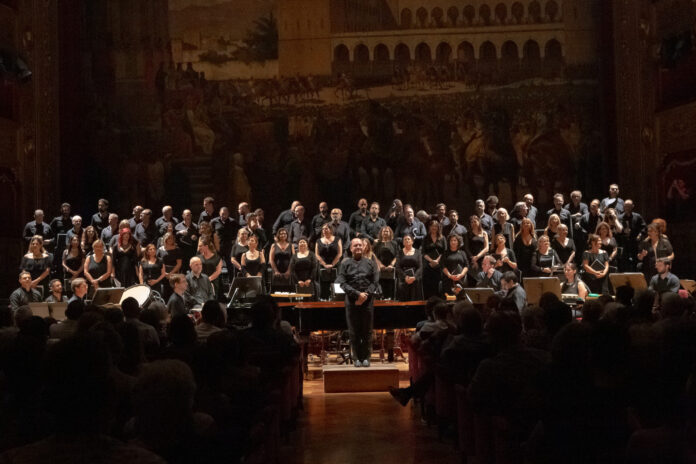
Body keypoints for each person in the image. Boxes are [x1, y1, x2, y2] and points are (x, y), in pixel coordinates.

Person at [336, 238, 380, 367]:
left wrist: (365, 295)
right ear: (351, 248)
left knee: (367, 331)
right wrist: (357, 295)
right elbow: (342, 282)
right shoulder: (345, 263)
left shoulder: (370, 263)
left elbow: (375, 282)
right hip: (351, 301)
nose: (358, 247)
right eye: (355, 245)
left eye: (360, 245)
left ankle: (366, 358)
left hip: (368, 301)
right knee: (353, 332)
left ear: (364, 247)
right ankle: (356, 358)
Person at [316, 223, 342, 300]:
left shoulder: (337, 239)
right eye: (323, 229)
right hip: (322, 266)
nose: (324, 230)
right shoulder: (318, 241)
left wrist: (332, 264)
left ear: (331, 230)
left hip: (335, 265)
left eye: (326, 228)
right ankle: (324, 300)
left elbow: (340, 253)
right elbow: (317, 255)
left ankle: (336, 300)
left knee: (336, 285)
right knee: (324, 286)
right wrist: (324, 265)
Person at [421, 220, 446, 298]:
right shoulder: (426, 238)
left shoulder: (442, 238)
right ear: (429, 227)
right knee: (428, 285)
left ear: (438, 227)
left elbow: (445, 251)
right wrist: (431, 261)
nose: (434, 227)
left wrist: (437, 261)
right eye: (432, 226)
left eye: (436, 226)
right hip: (428, 265)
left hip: (439, 265)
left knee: (438, 285)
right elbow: (423, 252)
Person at [619, 199, 646, 271]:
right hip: (624, 243)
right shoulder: (620, 217)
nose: (627, 208)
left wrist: (640, 235)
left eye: (629, 206)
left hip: (635, 242)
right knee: (624, 261)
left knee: (635, 260)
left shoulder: (637, 216)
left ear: (632, 206)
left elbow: (644, 227)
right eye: (626, 206)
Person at [211, 206, 239, 274]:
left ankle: (231, 282)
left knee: (230, 265)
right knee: (217, 266)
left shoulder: (233, 222)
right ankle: (219, 283)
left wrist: (234, 243)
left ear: (228, 214)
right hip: (218, 247)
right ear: (219, 213)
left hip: (229, 247)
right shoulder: (213, 222)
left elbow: (237, 233)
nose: (224, 215)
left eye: (226, 214)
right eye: (222, 213)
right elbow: (211, 234)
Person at [396, 235, 423, 301]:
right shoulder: (399, 252)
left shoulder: (418, 252)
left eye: (408, 239)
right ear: (403, 242)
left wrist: (414, 277)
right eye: (405, 239)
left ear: (412, 241)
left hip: (415, 279)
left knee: (415, 301)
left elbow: (420, 267)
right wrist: (405, 277)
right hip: (403, 279)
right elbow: (398, 267)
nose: (407, 240)